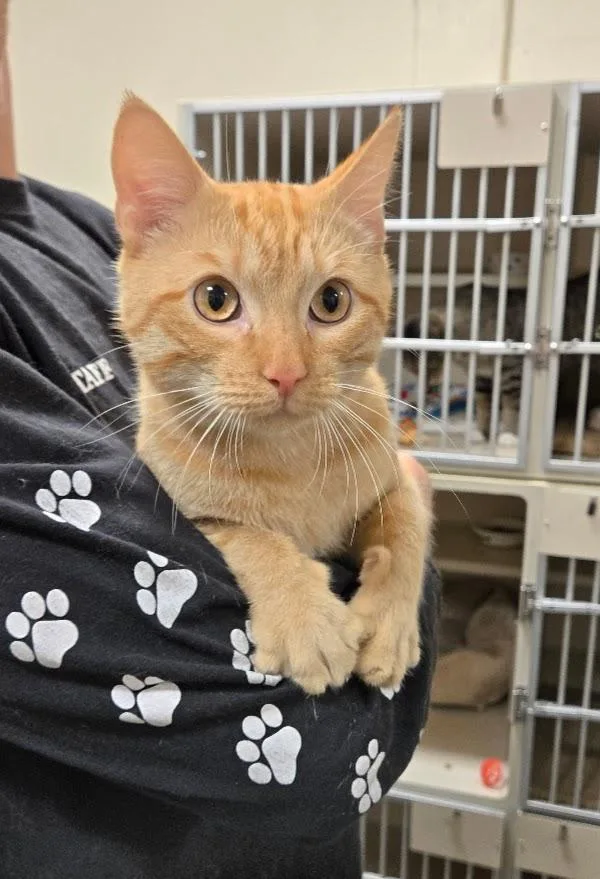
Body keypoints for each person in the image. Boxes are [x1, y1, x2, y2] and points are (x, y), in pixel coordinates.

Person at [0, 4, 440, 877]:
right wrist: (273, 558)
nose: (284, 367)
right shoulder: (171, 427)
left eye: (328, 304)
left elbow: (393, 485)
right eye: (218, 302)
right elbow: (324, 755)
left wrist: (400, 558)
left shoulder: (69, 222)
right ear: (144, 231)